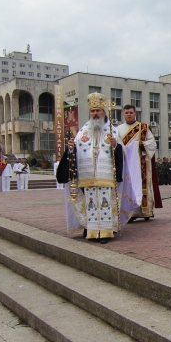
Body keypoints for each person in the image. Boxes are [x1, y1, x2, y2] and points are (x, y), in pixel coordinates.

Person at [55, 92, 127, 243]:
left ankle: (105, 232)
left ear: (103, 111)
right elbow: (75, 150)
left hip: (105, 174)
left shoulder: (112, 130)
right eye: (93, 111)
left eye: (98, 111)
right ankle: (92, 230)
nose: (95, 114)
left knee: (105, 203)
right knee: (91, 203)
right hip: (87, 175)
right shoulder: (82, 131)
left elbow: (121, 152)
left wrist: (115, 146)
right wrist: (70, 148)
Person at [116, 104, 161, 221]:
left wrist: (142, 144)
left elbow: (152, 143)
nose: (129, 114)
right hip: (126, 164)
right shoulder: (118, 129)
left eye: (131, 112)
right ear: (123, 114)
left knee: (142, 185)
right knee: (128, 186)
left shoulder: (144, 127)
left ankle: (146, 211)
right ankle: (129, 213)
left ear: (135, 113)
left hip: (142, 163)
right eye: (126, 113)